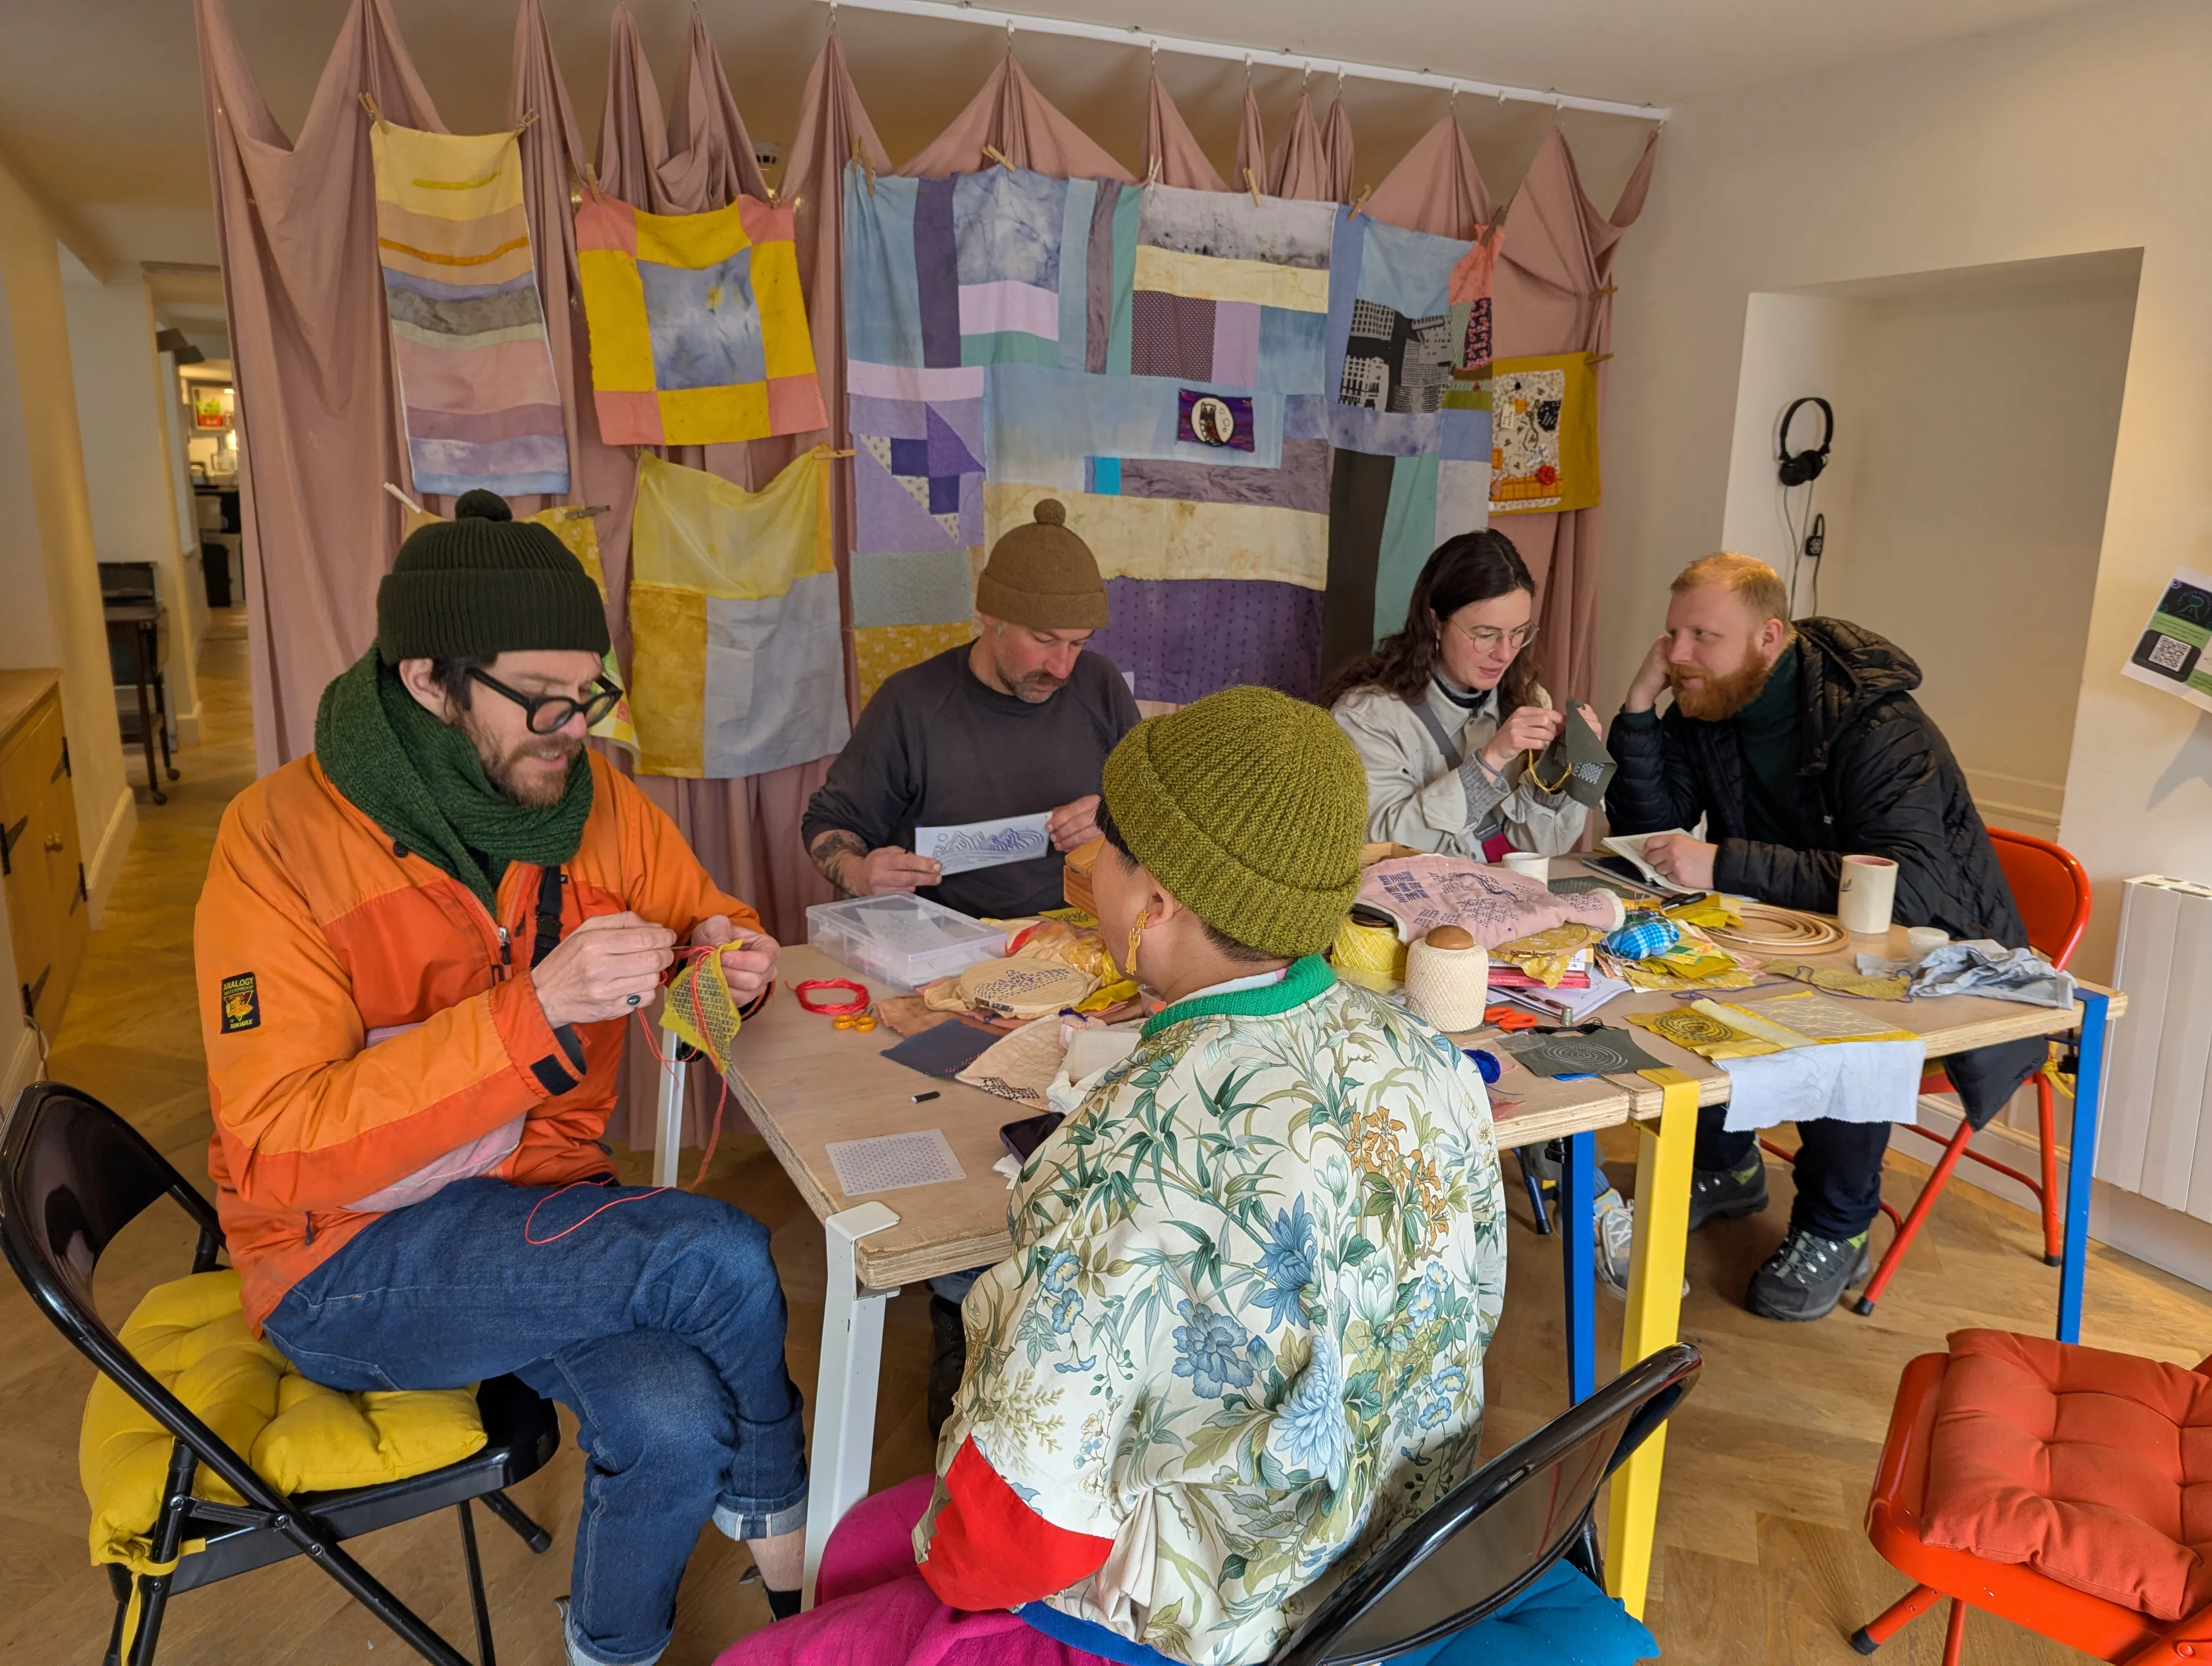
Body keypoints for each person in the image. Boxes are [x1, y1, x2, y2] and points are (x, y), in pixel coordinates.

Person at [721, 687, 1519, 1666]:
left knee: (790, 1636)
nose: (1087, 868)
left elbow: (1009, 1532)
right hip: (1403, 1557)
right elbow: (1472, 1306)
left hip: (1230, 1612)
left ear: (1158, 900)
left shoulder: (1132, 1138)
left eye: (1103, 849)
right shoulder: (1429, 1057)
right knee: (865, 1553)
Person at [196, 491, 810, 1666]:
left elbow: (705, 921)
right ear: (428, 678)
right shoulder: (274, 842)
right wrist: (531, 1013)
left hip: (537, 1205)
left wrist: (730, 968)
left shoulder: (594, 799)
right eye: (538, 698)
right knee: (719, 1250)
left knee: (674, 1420)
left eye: (589, 693)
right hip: (344, 1259)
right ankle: (779, 1520)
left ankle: (607, 1647)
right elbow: (277, 1146)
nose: (571, 727)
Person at [1605, 552, 2045, 1322]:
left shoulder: (1876, 721)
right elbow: (1652, 833)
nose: (1679, 655)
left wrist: (1726, 861)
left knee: (1842, 1023)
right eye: (1671, 634)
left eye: (1702, 636)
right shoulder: (1713, 699)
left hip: (1935, 958)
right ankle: (1727, 1164)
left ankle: (1838, 1226)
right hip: (1789, 934)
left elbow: (1908, 885)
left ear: (1769, 636)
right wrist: (1640, 708)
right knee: (1679, 966)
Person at [802, 499, 1141, 921]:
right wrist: (857, 873)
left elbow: (1154, 808)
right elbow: (828, 823)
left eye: (1078, 643)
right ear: (991, 617)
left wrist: (1114, 820)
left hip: (1083, 932)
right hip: (947, 941)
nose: (1062, 668)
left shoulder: (1100, 685)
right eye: (1044, 639)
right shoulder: (911, 702)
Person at [1326, 530, 1602, 859]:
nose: (1505, 654)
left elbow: (1541, 848)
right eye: (1486, 635)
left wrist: (1565, 765)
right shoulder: (1367, 716)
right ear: (1435, 623)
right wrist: (1491, 760)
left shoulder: (1530, 698)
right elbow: (1382, 849)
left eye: (1519, 633)